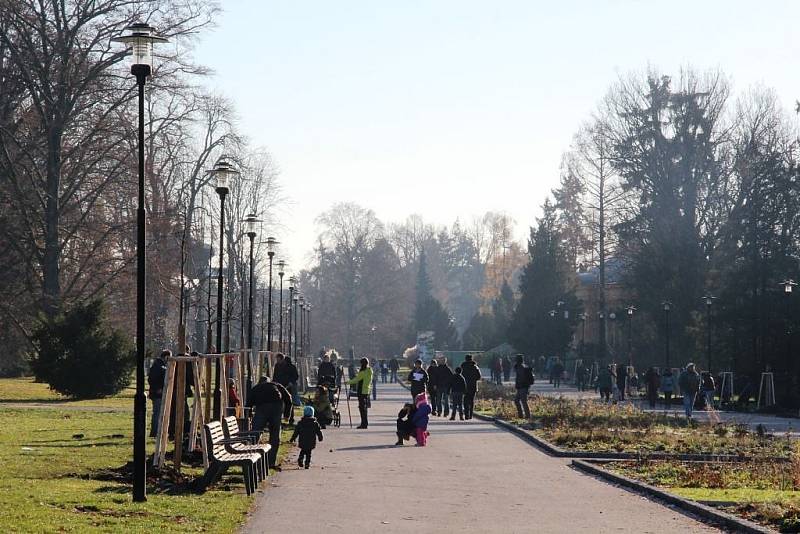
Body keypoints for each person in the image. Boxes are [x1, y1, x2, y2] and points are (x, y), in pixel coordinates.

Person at [246, 376, 292, 469]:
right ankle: (271, 462)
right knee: (275, 435)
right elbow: (288, 398)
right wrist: (287, 415)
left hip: (261, 408)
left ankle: (253, 460)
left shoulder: (256, 388)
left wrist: (249, 416)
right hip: (276, 407)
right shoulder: (277, 385)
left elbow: (248, 404)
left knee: (255, 434)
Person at [147, 350, 168, 437]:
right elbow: (152, 379)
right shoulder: (159, 366)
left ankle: (157, 431)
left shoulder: (158, 365)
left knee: (158, 412)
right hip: (157, 393)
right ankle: (155, 432)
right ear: (166, 357)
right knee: (157, 412)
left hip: (156, 392)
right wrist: (158, 389)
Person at [348, 357, 373, 429]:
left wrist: (348, 382)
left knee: (362, 408)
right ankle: (365, 422)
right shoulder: (370, 370)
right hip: (367, 391)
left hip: (361, 391)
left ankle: (363, 423)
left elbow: (356, 379)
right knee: (365, 408)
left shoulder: (363, 372)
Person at [273, 353, 299, 424]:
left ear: (282, 359)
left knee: (289, 402)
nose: (277, 361)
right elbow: (275, 376)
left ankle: (291, 418)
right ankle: (279, 418)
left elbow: (296, 376)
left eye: (279, 360)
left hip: (288, 386)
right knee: (279, 403)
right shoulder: (277, 366)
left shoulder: (291, 366)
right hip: (279, 386)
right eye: (277, 360)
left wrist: (291, 382)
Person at [513, 354, 534, 419]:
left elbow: (521, 377)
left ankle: (527, 416)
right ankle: (521, 416)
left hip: (523, 386)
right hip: (520, 387)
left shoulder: (522, 367)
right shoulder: (519, 367)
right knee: (517, 401)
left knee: (523, 401)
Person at [461, 354, 481, 419]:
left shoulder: (463, 367)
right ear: (472, 359)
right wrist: (474, 379)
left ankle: (466, 414)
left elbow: (461, 376)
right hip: (473, 386)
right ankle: (471, 415)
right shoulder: (475, 367)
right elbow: (479, 377)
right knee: (472, 400)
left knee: (465, 400)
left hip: (465, 386)